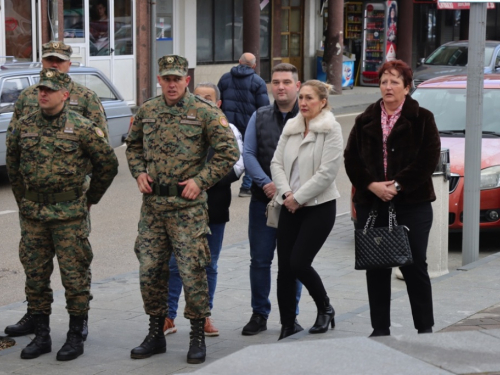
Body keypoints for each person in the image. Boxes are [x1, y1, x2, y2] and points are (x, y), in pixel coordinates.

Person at [125, 55, 239, 364]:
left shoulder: (204, 112)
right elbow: (132, 147)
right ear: (159, 80)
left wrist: (201, 181)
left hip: (187, 208)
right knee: (150, 270)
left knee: (192, 272)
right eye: (167, 78)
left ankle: (197, 336)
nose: (172, 84)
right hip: (153, 208)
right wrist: (138, 172)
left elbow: (229, 151)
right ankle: (155, 332)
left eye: (178, 78)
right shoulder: (147, 111)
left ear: (186, 80)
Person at [5, 68, 118, 361]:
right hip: (33, 215)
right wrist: (24, 200)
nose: (43, 93)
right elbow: (13, 165)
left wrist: (90, 198)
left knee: (75, 276)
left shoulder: (81, 127)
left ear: (65, 95)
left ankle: (75, 333)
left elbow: (108, 164)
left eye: (50, 90)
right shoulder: (24, 126)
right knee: (36, 276)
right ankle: (41, 335)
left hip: (69, 215)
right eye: (41, 89)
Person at [344, 60, 441, 337]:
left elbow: (428, 159)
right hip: (372, 203)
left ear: (407, 88)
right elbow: (351, 160)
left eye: (394, 81)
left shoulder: (423, 118)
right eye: (384, 81)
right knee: (376, 265)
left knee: (414, 265)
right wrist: (372, 186)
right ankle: (380, 328)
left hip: (412, 204)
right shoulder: (365, 119)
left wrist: (397, 186)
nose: (388, 86)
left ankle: (424, 327)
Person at [164, 82, 244, 337]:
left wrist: (202, 181)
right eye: (198, 97)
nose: (203, 102)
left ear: (218, 103)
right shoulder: (180, 126)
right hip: (181, 208)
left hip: (214, 207)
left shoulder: (228, 129)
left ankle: (204, 316)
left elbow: (238, 166)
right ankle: (168, 315)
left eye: (208, 98)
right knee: (175, 264)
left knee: (209, 264)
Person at [270, 80, 343, 340]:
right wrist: (287, 194)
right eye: (301, 97)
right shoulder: (291, 127)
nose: (303, 102)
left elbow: (327, 173)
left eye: (309, 98)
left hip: (318, 207)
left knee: (299, 262)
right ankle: (288, 324)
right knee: (285, 270)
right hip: (289, 205)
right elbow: (276, 163)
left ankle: (325, 307)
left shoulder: (331, 129)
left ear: (322, 102)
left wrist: (298, 197)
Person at [242, 63, 303, 336]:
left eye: (286, 82)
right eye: (276, 82)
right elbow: (249, 153)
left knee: (293, 262)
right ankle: (259, 313)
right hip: (263, 202)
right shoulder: (260, 115)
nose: (280, 87)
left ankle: (291, 316)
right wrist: (265, 183)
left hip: (297, 204)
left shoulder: (310, 117)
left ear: (297, 86)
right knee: (260, 261)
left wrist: (296, 192)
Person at [217, 52, 270, 197]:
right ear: (254, 65)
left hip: (227, 124)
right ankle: (246, 187)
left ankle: (222, 181)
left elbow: (218, 101)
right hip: (249, 125)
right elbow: (264, 107)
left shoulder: (225, 78)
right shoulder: (258, 81)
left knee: (225, 153)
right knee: (250, 154)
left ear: (239, 61)